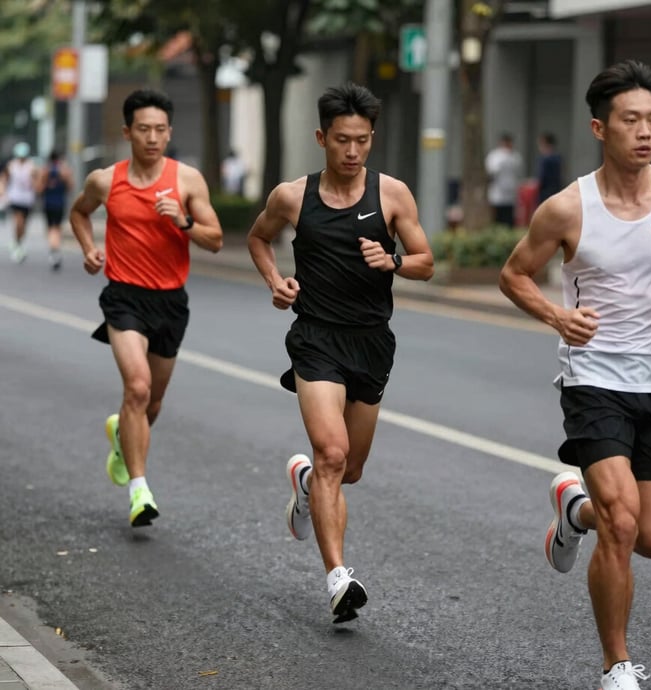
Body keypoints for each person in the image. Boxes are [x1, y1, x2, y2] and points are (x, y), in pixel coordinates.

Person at [498, 59, 651, 690]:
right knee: (622, 523)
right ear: (601, 127)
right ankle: (616, 664)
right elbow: (513, 274)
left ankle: (575, 512)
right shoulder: (569, 208)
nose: (645, 131)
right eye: (631, 120)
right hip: (594, 379)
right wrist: (556, 316)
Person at [247, 82, 434, 624]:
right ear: (321, 138)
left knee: (348, 470)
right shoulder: (292, 196)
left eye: (362, 141)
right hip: (316, 338)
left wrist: (393, 263)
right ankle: (338, 577)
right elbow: (259, 239)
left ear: (371, 139)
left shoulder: (392, 194)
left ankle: (306, 485)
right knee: (330, 453)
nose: (352, 153)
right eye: (342, 141)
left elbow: (426, 261)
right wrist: (275, 282)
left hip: (372, 341)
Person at [69, 88, 223, 527]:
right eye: (143, 129)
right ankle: (140, 490)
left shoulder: (187, 181)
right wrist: (89, 248)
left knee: (150, 405)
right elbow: (80, 214)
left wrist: (183, 220)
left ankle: (122, 433)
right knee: (136, 388)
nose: (152, 137)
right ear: (127, 132)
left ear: (169, 132)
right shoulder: (106, 180)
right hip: (124, 297)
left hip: (171, 302)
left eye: (160, 129)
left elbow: (213, 240)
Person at [2, 142, 39, 263]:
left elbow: (36, 181)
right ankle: (17, 244)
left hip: (28, 199)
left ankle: (18, 241)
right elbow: (4, 179)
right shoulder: (11, 165)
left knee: (24, 224)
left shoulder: (31, 166)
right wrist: (2, 191)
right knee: (19, 221)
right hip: (15, 197)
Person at [38, 150, 73, 270]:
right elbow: (70, 187)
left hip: (48, 203)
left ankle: (54, 251)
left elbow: (39, 189)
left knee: (50, 228)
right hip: (59, 203)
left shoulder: (45, 170)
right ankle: (55, 251)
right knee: (57, 228)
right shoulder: (64, 170)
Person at [485, 132, 523, 227]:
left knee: (506, 217)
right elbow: (491, 172)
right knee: (501, 217)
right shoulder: (496, 156)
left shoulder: (514, 156)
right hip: (499, 193)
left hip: (508, 193)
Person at [535, 132, 562, 205]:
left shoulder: (545, 159)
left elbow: (542, 178)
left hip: (545, 193)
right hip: (556, 191)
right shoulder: (558, 158)